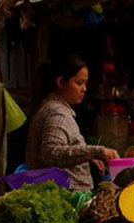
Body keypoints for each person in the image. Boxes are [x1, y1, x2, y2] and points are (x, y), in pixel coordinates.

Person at [25, 54, 118, 191]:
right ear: (61, 82)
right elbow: (51, 153)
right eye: (79, 83)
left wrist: (85, 157)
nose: (84, 89)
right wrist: (95, 152)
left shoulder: (55, 108)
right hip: (65, 196)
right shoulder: (57, 114)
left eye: (85, 83)